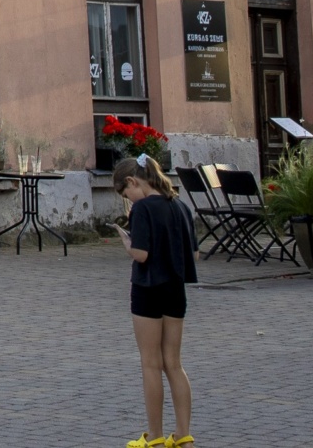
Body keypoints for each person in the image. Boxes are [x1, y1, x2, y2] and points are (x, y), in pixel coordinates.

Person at [115, 154, 196, 448]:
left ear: (132, 182)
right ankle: (184, 435)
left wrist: (127, 243)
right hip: (176, 290)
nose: (130, 201)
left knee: (150, 363)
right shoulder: (180, 206)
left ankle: (155, 436)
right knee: (174, 363)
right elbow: (194, 255)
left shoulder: (143, 208)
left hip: (148, 289)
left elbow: (142, 254)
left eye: (127, 195)